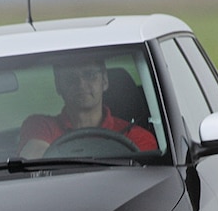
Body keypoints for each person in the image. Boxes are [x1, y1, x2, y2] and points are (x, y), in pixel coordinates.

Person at [18, 58, 158, 159]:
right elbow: (33, 164)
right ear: (58, 85)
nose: (81, 84)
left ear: (104, 81)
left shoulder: (137, 137)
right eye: (70, 77)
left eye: (90, 75)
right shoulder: (41, 126)